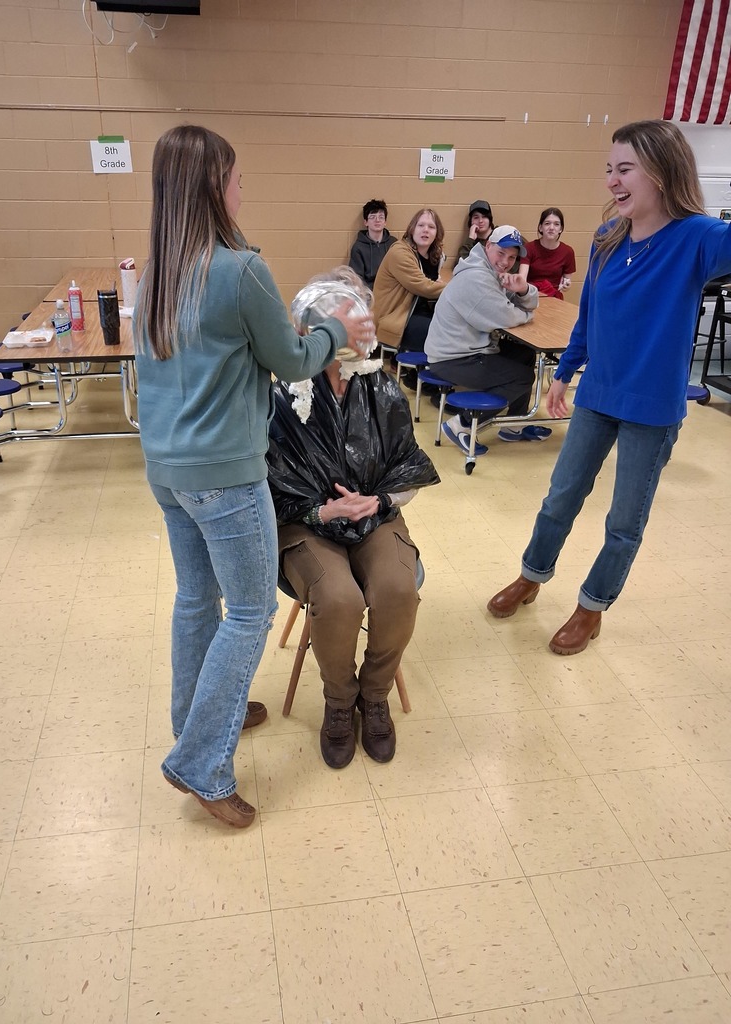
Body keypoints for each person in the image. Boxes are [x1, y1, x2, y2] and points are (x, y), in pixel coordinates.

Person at [133, 126, 374, 828]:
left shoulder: (158, 273)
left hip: (167, 469)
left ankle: (202, 717)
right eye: (237, 178)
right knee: (248, 612)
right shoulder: (240, 270)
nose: (243, 188)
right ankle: (202, 763)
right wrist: (337, 329)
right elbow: (294, 360)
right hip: (223, 473)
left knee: (195, 599)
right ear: (215, 186)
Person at [487, 119, 731, 656]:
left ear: (662, 172)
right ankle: (532, 575)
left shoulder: (698, 238)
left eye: (625, 169)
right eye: (609, 170)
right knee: (560, 498)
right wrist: (565, 373)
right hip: (598, 394)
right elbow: (590, 316)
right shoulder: (606, 238)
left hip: (652, 407)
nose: (611, 181)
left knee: (624, 521)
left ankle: (591, 607)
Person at [267, 268, 440, 769]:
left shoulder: (380, 389)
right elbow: (269, 487)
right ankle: (340, 703)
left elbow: (407, 470)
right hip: (306, 522)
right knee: (339, 598)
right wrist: (321, 510)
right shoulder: (283, 397)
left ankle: (375, 696)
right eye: (344, 325)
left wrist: (379, 501)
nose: (358, 337)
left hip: (374, 517)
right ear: (311, 332)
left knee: (398, 589)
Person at [425, 225, 549, 453]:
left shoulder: (489, 271)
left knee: (524, 354)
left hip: (467, 349)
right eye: (501, 253)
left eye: (512, 257)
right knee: (522, 378)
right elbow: (506, 316)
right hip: (452, 359)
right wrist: (526, 315)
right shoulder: (476, 277)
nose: (505, 262)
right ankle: (461, 424)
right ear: (488, 246)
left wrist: (523, 290)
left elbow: (519, 304)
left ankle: (513, 425)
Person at [373, 208, 446, 364]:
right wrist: (456, 289)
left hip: (420, 313)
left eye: (431, 227)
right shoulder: (399, 252)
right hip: (397, 318)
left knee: (456, 326)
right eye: (421, 225)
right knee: (444, 334)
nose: (425, 230)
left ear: (437, 233)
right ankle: (419, 373)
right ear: (412, 229)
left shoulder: (435, 255)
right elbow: (424, 287)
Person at [519, 207, 576, 299]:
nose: (551, 228)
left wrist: (566, 285)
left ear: (561, 229)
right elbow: (522, 279)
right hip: (531, 295)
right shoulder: (529, 248)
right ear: (540, 227)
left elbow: (567, 281)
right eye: (547, 223)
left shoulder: (568, 251)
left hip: (554, 298)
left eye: (556, 224)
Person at [348, 199, 397, 290]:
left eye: (381, 217)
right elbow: (356, 279)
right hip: (370, 293)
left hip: (391, 292)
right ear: (365, 222)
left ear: (385, 222)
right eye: (372, 217)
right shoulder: (358, 247)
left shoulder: (394, 244)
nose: (377, 220)